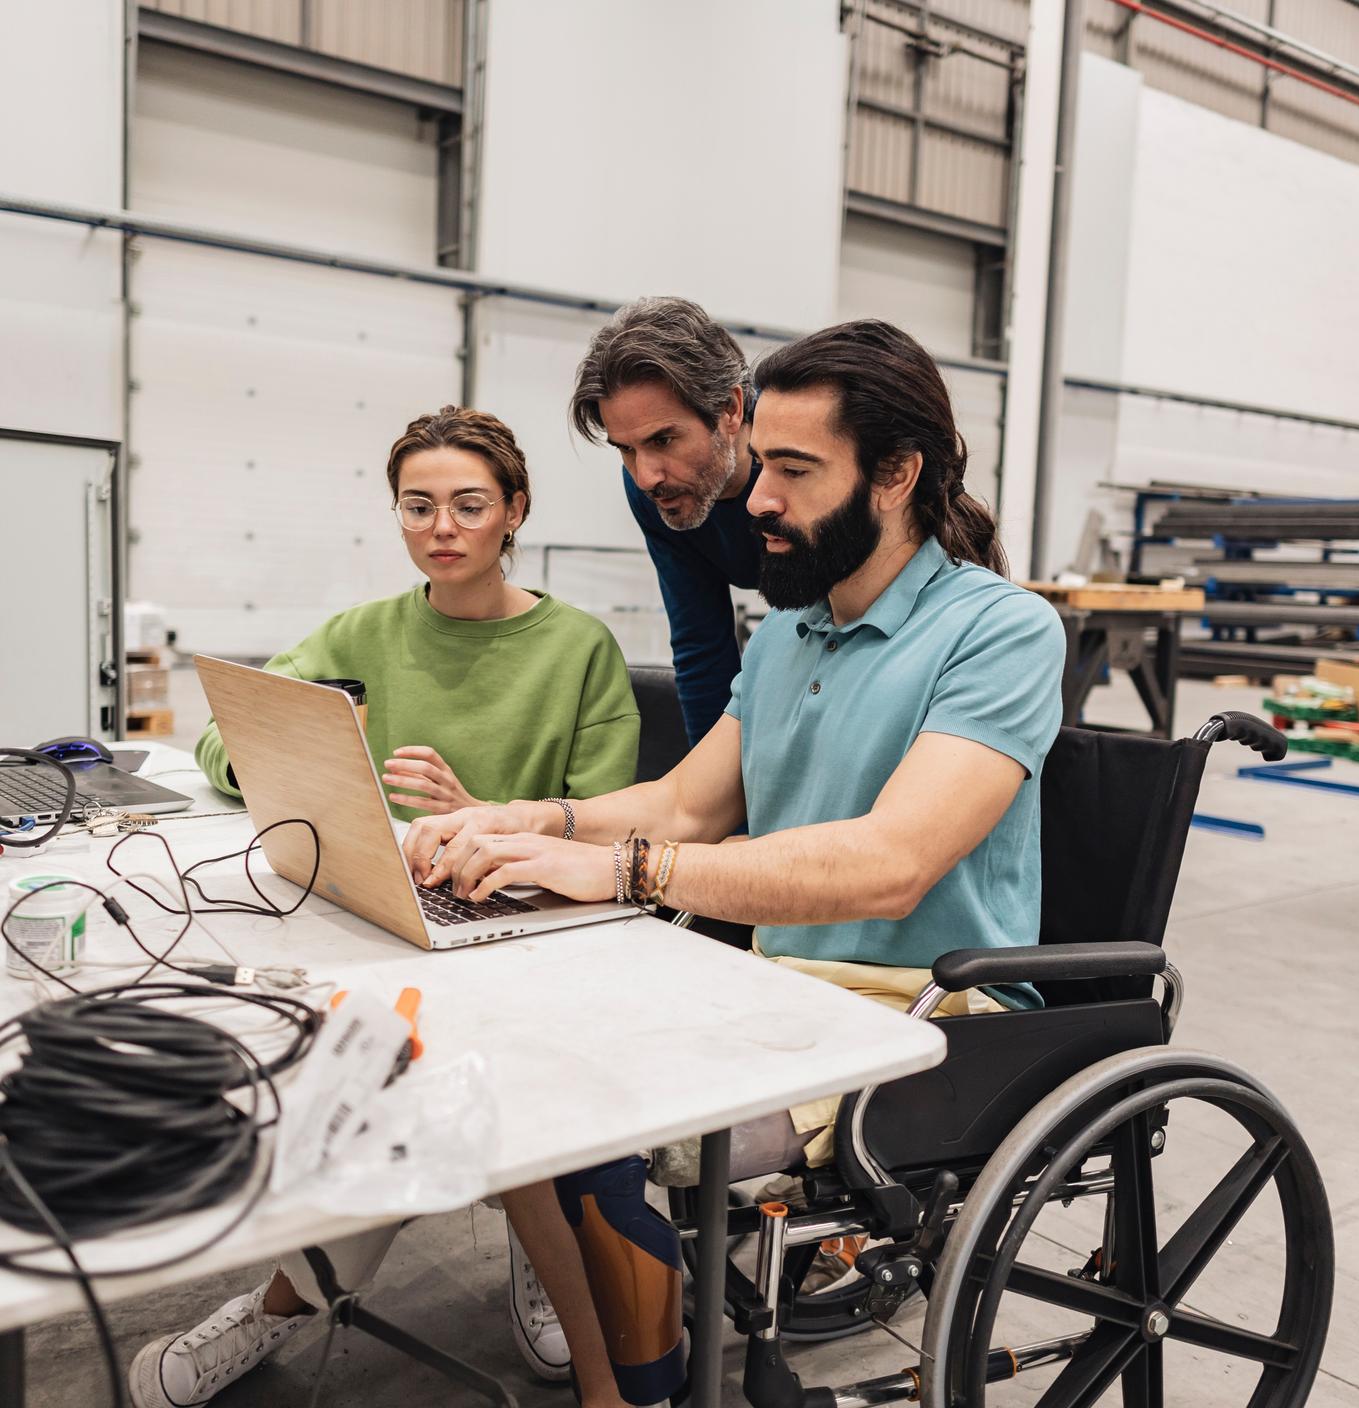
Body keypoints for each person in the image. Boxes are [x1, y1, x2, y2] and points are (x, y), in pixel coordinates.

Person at [404, 319, 1068, 1336]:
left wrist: (625, 869)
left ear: (895, 473)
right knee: (498, 1056)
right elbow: (683, 804)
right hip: (771, 991)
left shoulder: (1000, 630)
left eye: (794, 470)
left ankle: (633, 1372)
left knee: (594, 1125)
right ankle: (624, 1352)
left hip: (916, 1021)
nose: (756, 497)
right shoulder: (794, 629)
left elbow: (891, 866)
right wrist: (533, 818)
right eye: (763, 463)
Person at [131, 407, 641, 1408]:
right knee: (352, 1064)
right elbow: (220, 742)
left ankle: (287, 1302)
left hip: (528, 927)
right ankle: (516, 1262)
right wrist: (309, 750)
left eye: (467, 505)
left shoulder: (577, 647)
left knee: (402, 1071)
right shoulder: (360, 631)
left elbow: (606, 817)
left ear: (514, 513)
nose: (440, 528)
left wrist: (490, 817)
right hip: (381, 910)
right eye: (417, 506)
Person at [571, 296, 762, 748]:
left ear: (730, 410)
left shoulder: (804, 469)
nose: (646, 476)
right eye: (626, 448)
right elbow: (701, 643)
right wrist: (710, 802)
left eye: (664, 439)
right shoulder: (656, 490)